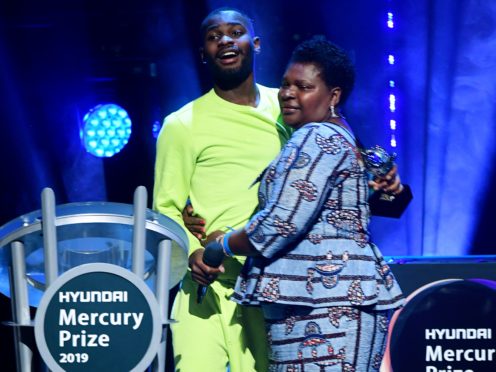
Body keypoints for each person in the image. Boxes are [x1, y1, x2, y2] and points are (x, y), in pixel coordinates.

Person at [154, 7, 406, 372]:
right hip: (209, 285)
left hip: (276, 283)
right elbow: (166, 207)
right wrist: (197, 251)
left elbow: (349, 178)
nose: (225, 40)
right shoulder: (181, 124)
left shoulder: (293, 108)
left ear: (255, 43)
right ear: (202, 53)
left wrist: (389, 188)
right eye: (213, 36)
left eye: (236, 31)